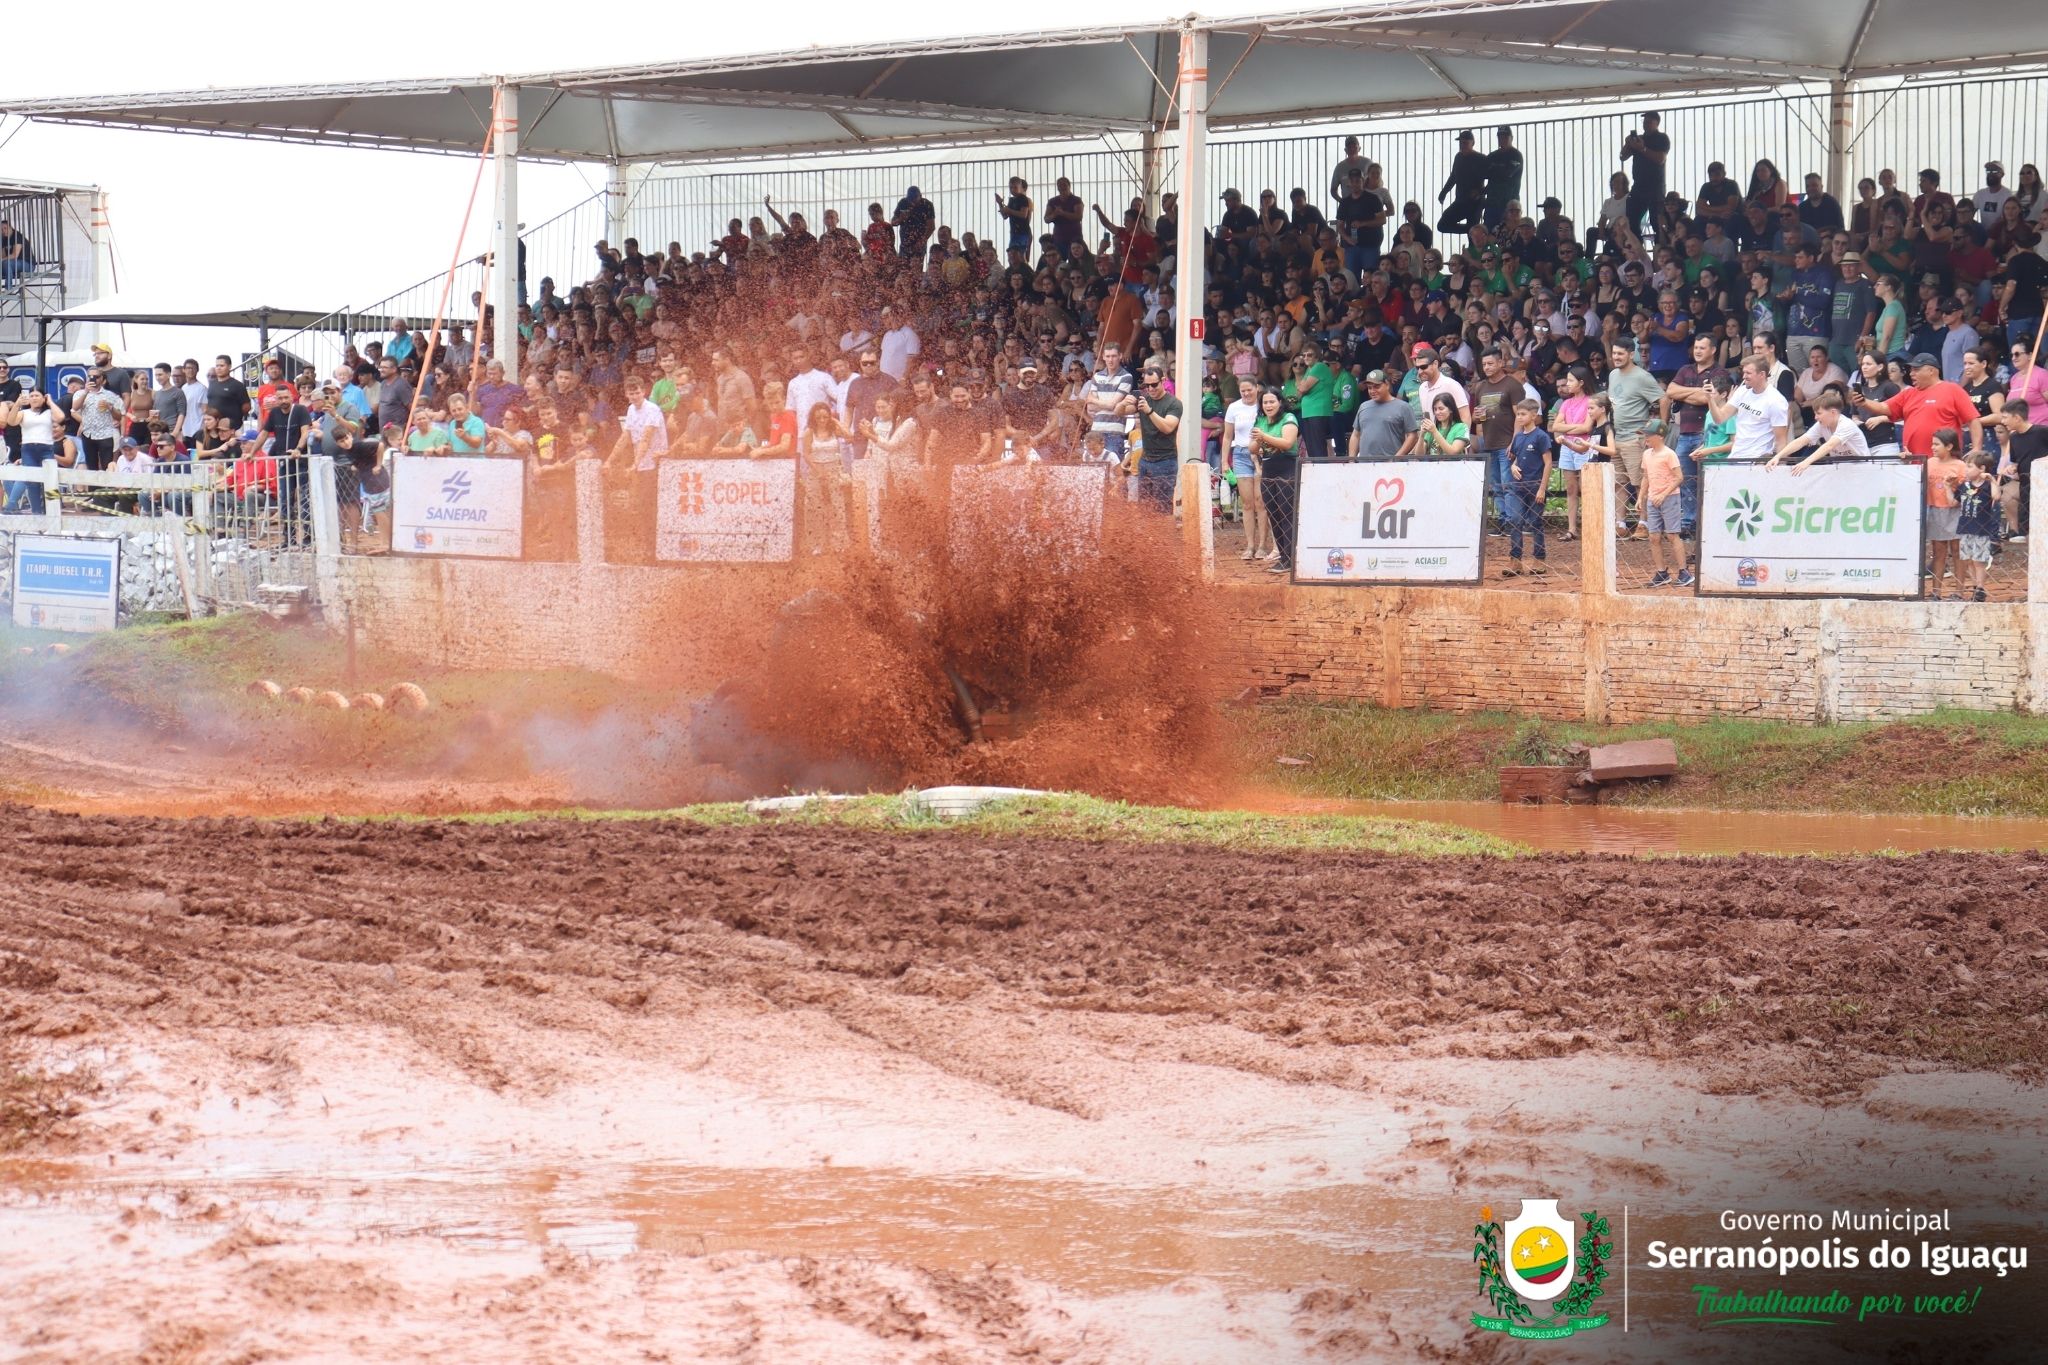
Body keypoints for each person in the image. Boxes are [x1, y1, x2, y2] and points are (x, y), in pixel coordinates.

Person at [1857, 353, 1981, 460]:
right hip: (1914, 462)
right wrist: (1864, 402)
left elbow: (1973, 420)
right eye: (1911, 370)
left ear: (1931, 371)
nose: (1911, 374)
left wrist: (1976, 448)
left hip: (1944, 462)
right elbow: (1884, 407)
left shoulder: (1952, 389)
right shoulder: (1908, 393)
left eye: (1916, 370)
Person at [1604, 340, 1665, 533]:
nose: (1616, 357)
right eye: (1614, 353)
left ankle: (1644, 523)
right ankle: (1620, 524)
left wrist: (1660, 430)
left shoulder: (1642, 376)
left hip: (1635, 437)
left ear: (1631, 354)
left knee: (1640, 482)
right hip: (1616, 437)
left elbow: (1664, 399)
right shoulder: (1613, 374)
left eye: (1620, 353)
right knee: (1619, 482)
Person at [1634, 420, 1690, 587]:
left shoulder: (1669, 454)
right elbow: (1646, 477)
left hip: (1670, 498)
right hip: (1653, 498)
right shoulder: (1647, 454)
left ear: (1659, 436)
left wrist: (1664, 494)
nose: (1646, 438)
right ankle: (1661, 572)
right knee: (1654, 536)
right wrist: (1641, 497)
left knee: (1672, 534)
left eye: (1648, 435)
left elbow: (1679, 477)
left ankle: (1684, 571)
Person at [1250, 390, 1300, 574]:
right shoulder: (1260, 421)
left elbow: (1287, 443)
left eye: (1272, 401)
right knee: (1273, 513)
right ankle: (1283, 557)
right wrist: (1259, 440)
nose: (1268, 405)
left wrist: (1263, 437)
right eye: (1265, 402)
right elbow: (1252, 448)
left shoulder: (1289, 418)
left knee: (1287, 513)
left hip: (1287, 467)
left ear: (1280, 402)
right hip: (1268, 468)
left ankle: (1291, 558)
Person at [1225, 378, 1275, 560]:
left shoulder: (1263, 405)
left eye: (1249, 390)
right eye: (1243, 391)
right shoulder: (1234, 408)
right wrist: (1224, 462)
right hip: (1240, 453)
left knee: (1261, 502)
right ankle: (1250, 545)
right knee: (1247, 503)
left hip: (1260, 453)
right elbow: (1227, 436)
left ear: (1257, 388)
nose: (1246, 393)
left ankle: (1262, 545)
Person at [1709, 355, 1791, 462]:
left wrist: (1780, 466)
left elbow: (1781, 441)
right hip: (1735, 457)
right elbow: (1719, 419)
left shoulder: (1776, 400)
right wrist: (1709, 399)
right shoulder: (1741, 391)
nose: (1744, 376)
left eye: (1748, 373)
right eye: (1743, 372)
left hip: (1758, 460)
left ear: (1762, 374)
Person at [1502, 399, 1551, 577]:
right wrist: (1513, 466)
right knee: (1515, 520)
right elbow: (1515, 457)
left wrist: (1542, 488)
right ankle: (1515, 560)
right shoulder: (1518, 437)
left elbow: (1548, 463)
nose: (1520, 417)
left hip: (1535, 486)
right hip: (1518, 487)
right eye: (1518, 414)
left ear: (1534, 415)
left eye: (1523, 414)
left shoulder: (1541, 436)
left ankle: (1539, 559)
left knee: (1535, 522)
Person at [1769, 390, 1871, 470]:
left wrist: (1806, 462)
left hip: (1861, 468)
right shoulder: (1821, 425)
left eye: (1819, 413)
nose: (1816, 417)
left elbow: (1829, 445)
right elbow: (1801, 441)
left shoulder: (1846, 424)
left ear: (1833, 412)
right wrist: (1778, 456)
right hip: (1839, 469)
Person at [1924, 428, 1970, 598]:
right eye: (1932, 444)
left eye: (1937, 444)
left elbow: (1967, 489)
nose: (1933, 447)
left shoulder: (1960, 466)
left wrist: (1953, 485)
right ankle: (1936, 591)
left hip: (1956, 511)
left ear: (1949, 446)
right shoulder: (1929, 463)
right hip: (1935, 510)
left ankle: (1959, 591)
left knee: (1957, 551)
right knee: (1938, 552)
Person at [1132, 364, 1183, 513]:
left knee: (1163, 508)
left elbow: (1168, 427)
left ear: (1163, 380)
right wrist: (1124, 402)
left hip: (1165, 461)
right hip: (1145, 460)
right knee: (1144, 508)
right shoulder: (1144, 400)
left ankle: (1164, 529)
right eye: (1147, 386)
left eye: (1154, 384)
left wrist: (1149, 411)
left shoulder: (1174, 403)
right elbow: (1119, 411)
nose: (1150, 389)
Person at [1348, 369, 1419, 461]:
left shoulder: (1403, 407)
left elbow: (1413, 436)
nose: (1372, 391)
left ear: (1387, 385)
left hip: (1392, 466)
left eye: (1377, 387)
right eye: (1369, 388)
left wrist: (1395, 459)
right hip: (1364, 465)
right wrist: (1351, 460)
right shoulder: (1363, 406)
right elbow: (1355, 435)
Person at [1956, 452, 1998, 601]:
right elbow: (1953, 501)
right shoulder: (1964, 486)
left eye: (1969, 466)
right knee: (1968, 560)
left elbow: (1996, 496)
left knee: (1979, 561)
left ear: (1982, 468)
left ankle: (1980, 588)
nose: (1966, 470)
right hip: (1965, 528)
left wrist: (1992, 480)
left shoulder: (1987, 486)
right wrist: (1948, 487)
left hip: (1981, 529)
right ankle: (1975, 586)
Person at [1619, 112, 1669, 237]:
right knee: (1631, 219)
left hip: (1655, 186)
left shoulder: (1662, 138)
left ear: (1657, 123)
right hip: (1639, 185)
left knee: (1656, 221)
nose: (1645, 124)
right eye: (1644, 121)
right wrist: (1628, 144)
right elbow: (1623, 157)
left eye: (1649, 122)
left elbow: (1660, 159)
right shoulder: (1639, 139)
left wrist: (1642, 149)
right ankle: (1636, 245)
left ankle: (1661, 245)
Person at [1436, 130, 1487, 236]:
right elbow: (1453, 177)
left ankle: (1474, 231)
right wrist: (1444, 192)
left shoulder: (1481, 158)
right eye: (1461, 143)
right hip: (1460, 200)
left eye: (1465, 143)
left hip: (1475, 202)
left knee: (1472, 238)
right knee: (1442, 225)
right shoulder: (1458, 157)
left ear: (1472, 143)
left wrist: (1480, 192)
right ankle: (1472, 230)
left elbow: (1493, 179)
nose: (1462, 145)